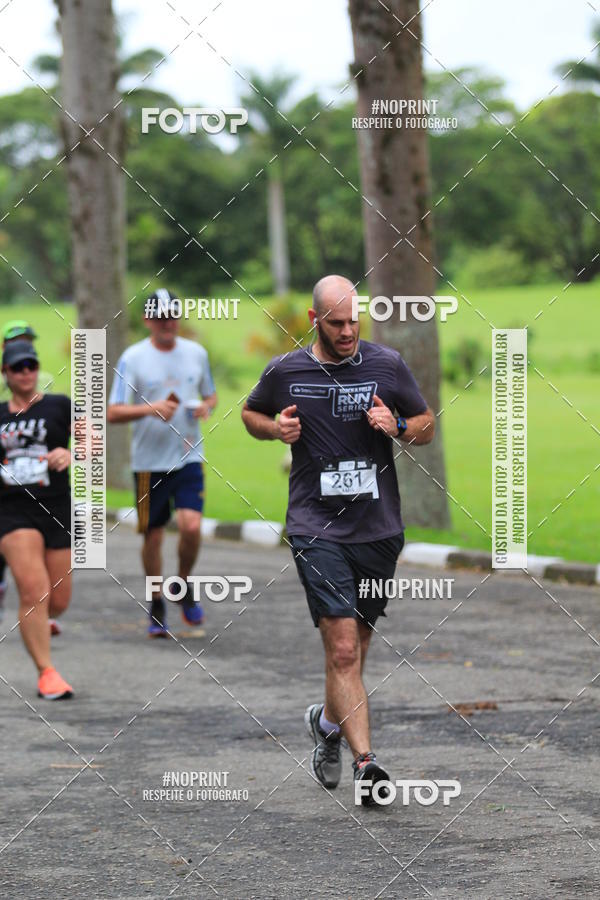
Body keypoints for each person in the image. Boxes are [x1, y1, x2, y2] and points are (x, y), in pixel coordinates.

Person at [241, 274, 436, 804]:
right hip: (314, 527)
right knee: (344, 649)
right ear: (314, 321)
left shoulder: (386, 365)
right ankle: (367, 765)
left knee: (357, 647)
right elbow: (249, 414)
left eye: (354, 320)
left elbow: (426, 424)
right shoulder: (286, 371)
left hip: (378, 530)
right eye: (337, 323)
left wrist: (395, 424)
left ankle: (327, 727)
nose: (348, 331)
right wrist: (273, 429)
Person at [107, 289, 217, 638]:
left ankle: (182, 584)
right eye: (160, 317)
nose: (167, 322)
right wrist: (149, 408)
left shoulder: (196, 353)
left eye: (172, 315)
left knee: (190, 526)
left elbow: (210, 394)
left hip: (188, 456)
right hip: (148, 465)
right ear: (147, 320)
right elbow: (113, 411)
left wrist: (206, 407)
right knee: (152, 536)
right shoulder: (133, 358)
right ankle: (156, 600)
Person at [0, 340, 73, 699]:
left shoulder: (59, 406)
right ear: (6, 373)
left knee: (58, 600)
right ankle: (47, 673)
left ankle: (37, 619)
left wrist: (70, 452)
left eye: (30, 365)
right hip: (12, 510)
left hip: (56, 508)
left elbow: (94, 441)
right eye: (17, 367)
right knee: (34, 590)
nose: (25, 372)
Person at [0, 320, 58, 630]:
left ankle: (42, 607)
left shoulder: (45, 383)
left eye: (28, 342)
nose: (25, 368)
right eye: (15, 342)